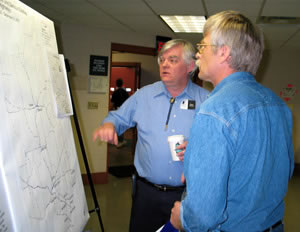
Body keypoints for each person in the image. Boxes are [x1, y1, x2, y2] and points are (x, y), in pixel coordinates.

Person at [170, 11, 294, 232]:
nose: (197, 55)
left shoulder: (214, 110)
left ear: (224, 52)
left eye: (202, 46)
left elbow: (203, 215)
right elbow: (280, 171)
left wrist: (183, 220)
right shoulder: (279, 106)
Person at [93, 39, 209, 232]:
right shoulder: (144, 96)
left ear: (190, 66)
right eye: (162, 60)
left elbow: (217, 147)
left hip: (187, 195)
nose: (164, 64)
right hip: (146, 193)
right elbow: (117, 117)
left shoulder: (206, 100)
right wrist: (109, 125)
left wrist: (198, 148)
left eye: (172, 59)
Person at [111, 78, 129, 147]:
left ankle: (118, 140)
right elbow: (128, 102)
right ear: (122, 84)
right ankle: (120, 141)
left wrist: (110, 109)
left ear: (116, 84)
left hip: (116, 110)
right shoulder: (125, 93)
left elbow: (112, 103)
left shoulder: (115, 93)